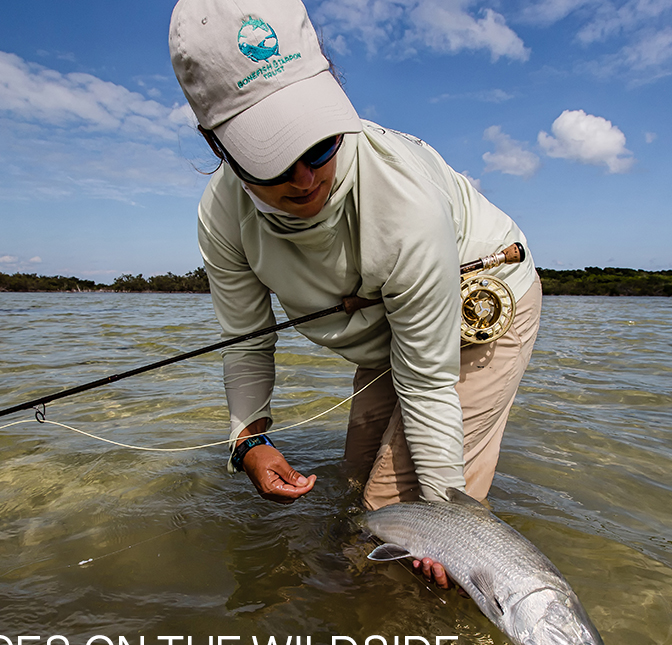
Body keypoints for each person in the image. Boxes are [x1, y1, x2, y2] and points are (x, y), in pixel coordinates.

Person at [169, 0, 541, 588]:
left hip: (482, 299)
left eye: (318, 143)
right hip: (384, 327)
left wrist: (442, 519)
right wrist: (248, 440)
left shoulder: (403, 202)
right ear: (218, 146)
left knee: (394, 518)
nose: (305, 177)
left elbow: (426, 383)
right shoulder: (221, 215)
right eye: (272, 156)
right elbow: (246, 340)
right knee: (355, 484)